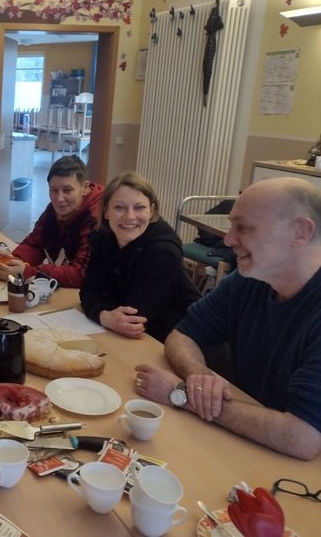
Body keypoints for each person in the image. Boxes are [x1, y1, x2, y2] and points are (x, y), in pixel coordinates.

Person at [135, 178, 321, 460]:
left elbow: (302, 437)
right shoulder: (252, 279)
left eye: (243, 227)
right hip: (251, 450)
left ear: (300, 232)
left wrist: (183, 394)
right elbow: (184, 335)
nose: (228, 239)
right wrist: (199, 376)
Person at [80, 172, 200, 342]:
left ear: (151, 211)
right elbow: (88, 290)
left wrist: (100, 309)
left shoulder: (163, 252)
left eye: (139, 207)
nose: (129, 216)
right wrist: (103, 315)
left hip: (178, 339)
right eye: (119, 207)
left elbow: (134, 318)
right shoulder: (103, 236)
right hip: (137, 334)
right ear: (106, 212)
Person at [0, 155, 103, 288]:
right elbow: (35, 244)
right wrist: (14, 260)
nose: (59, 199)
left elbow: (80, 275)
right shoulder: (55, 209)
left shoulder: (97, 218)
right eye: (53, 190)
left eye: (67, 190)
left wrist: (28, 272)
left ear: (85, 187)